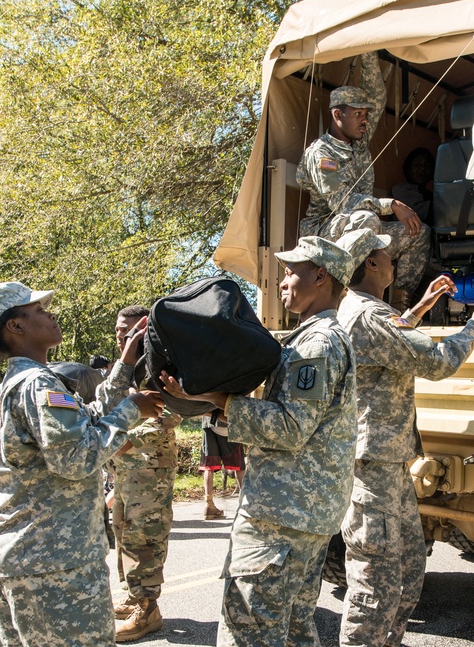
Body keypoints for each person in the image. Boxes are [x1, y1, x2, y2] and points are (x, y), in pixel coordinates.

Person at [161, 235, 357, 647]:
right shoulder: (315, 337)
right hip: (304, 513)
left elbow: (290, 427)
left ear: (321, 276)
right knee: (295, 631)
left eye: (290, 273)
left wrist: (220, 399)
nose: (281, 283)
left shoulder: (316, 344)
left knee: (248, 631)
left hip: (281, 516)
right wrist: (215, 403)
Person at [0, 281, 164, 647]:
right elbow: (76, 458)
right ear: (15, 327)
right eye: (38, 311)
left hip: (29, 560)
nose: (50, 314)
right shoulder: (39, 385)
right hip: (54, 566)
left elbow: (87, 422)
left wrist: (125, 365)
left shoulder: (28, 381)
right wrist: (133, 409)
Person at [334, 229, 474, 647]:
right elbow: (438, 362)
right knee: (376, 584)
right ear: (371, 264)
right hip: (374, 467)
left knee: (407, 571)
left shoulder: (358, 309)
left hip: (384, 465)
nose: (395, 260)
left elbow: (389, 344)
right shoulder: (371, 315)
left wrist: (422, 307)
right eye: (388, 254)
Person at [296, 51, 431, 310]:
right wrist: (390, 205)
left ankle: (400, 305)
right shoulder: (321, 154)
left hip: (363, 230)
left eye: (365, 115)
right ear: (338, 115)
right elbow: (342, 202)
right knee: (366, 219)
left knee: (419, 232)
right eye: (358, 114)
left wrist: (367, 49)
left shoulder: (358, 142)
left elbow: (377, 95)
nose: (365, 120)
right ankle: (352, 302)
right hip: (325, 233)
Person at [108, 303, 180, 642]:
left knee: (145, 538)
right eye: (120, 330)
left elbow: (172, 414)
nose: (123, 335)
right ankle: (134, 595)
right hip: (123, 469)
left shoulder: (163, 363)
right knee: (122, 533)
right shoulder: (125, 366)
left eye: (130, 329)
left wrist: (119, 441)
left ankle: (148, 611)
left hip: (150, 470)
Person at [199, 410, 245, 520]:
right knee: (239, 465)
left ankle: (208, 505)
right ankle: (244, 504)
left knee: (209, 465)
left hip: (209, 421)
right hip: (229, 421)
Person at [390, 147, 435, 224]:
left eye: (427, 165)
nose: (422, 169)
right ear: (407, 169)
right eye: (417, 165)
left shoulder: (427, 193)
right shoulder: (401, 190)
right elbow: (423, 213)